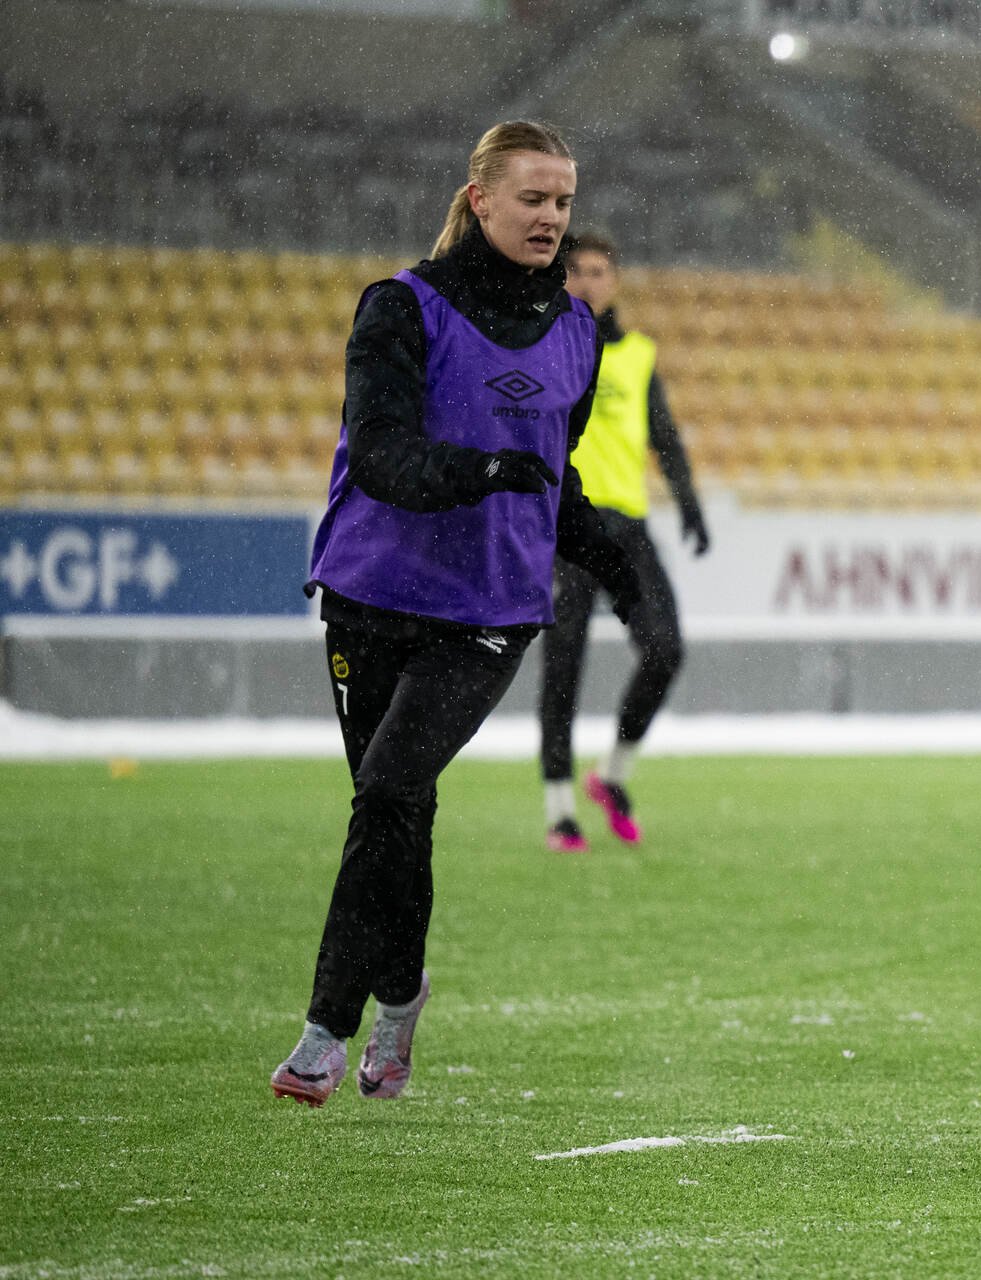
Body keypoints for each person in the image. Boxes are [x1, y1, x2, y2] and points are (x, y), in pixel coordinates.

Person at [271, 121, 645, 1107]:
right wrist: (481, 471)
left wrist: (612, 559)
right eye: (534, 198)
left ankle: (324, 1030)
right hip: (371, 594)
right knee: (398, 812)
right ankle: (401, 998)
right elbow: (381, 454)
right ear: (480, 200)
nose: (552, 217)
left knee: (389, 790)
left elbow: (551, 479)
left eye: (564, 202)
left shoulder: (578, 334)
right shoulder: (400, 307)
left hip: (490, 607)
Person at [538, 231, 710, 853]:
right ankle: (560, 811)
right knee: (563, 668)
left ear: (615, 282)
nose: (587, 282)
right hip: (569, 528)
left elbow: (663, 434)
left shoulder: (637, 356)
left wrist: (689, 504)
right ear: (563, 281)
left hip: (627, 530)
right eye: (577, 272)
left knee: (665, 650)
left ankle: (611, 775)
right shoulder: (545, 346)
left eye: (598, 271)